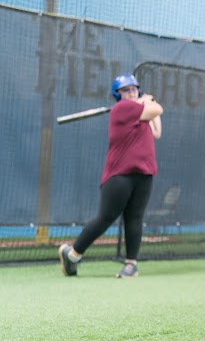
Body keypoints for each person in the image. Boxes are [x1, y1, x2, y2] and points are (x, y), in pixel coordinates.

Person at [58, 74, 163, 279]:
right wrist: (147, 102)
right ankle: (72, 255)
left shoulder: (140, 114)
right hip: (119, 174)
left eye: (134, 89)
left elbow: (156, 131)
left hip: (144, 173)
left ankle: (131, 264)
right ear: (118, 95)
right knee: (105, 218)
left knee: (134, 218)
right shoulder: (122, 109)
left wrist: (149, 103)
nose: (131, 93)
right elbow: (157, 109)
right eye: (126, 90)